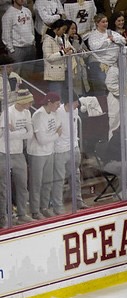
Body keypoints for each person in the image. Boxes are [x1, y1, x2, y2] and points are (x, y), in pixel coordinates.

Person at [0, 89, 34, 225]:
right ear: (23, 101)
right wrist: (22, 132)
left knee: (22, 186)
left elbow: (30, 134)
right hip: (4, 153)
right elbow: (5, 135)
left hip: (19, 153)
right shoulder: (7, 113)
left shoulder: (27, 113)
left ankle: (22, 213)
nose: (31, 104)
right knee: (3, 187)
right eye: (29, 101)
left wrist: (15, 131)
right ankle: (3, 217)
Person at [28, 92, 62, 220]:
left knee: (47, 182)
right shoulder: (38, 115)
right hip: (37, 153)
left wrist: (51, 136)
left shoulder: (54, 113)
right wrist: (56, 135)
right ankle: (35, 211)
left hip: (49, 151)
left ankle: (44, 207)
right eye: (57, 104)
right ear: (49, 103)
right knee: (36, 183)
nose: (59, 107)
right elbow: (41, 140)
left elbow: (59, 127)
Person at [2, 0, 37, 79]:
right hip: (17, 49)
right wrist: (11, 49)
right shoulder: (8, 14)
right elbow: (6, 34)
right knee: (14, 75)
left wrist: (33, 42)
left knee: (28, 75)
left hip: (30, 47)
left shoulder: (27, 11)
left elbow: (32, 28)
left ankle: (26, 90)